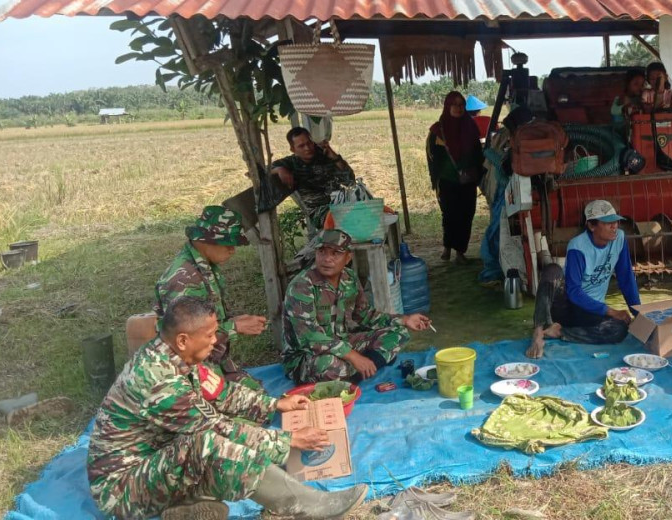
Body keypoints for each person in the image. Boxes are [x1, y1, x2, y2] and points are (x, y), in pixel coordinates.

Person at [88, 296, 367, 520]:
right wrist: (288, 439)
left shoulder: (177, 356)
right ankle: (307, 505)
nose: (214, 340)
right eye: (209, 335)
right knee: (212, 444)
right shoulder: (156, 380)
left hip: (155, 460)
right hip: (123, 489)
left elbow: (223, 394)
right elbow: (215, 428)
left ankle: (189, 507)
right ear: (183, 339)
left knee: (239, 430)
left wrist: (275, 405)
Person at [281, 228, 432, 384]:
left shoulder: (349, 278)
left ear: (347, 258)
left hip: (344, 342)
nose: (327, 259)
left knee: (399, 333)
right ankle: (358, 371)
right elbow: (310, 337)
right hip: (307, 355)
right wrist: (354, 356)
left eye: (335, 253)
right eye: (322, 252)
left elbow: (365, 315)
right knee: (329, 366)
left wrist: (405, 320)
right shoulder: (301, 287)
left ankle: (359, 370)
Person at [155, 205, 266, 388]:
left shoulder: (204, 266)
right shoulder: (183, 281)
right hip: (185, 374)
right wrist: (235, 327)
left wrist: (234, 320)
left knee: (258, 396)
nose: (232, 250)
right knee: (250, 410)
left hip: (210, 362)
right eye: (228, 244)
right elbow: (186, 341)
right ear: (207, 240)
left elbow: (206, 318)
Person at [526, 200, 641, 359]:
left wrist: (640, 314)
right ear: (592, 226)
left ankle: (561, 332)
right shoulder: (578, 247)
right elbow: (574, 292)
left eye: (616, 221)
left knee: (619, 329)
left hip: (590, 312)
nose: (614, 226)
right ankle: (538, 332)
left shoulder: (619, 239)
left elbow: (626, 277)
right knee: (552, 270)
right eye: (608, 222)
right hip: (566, 307)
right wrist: (610, 311)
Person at [426, 91, 484, 263]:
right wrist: (435, 178)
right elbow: (431, 156)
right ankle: (447, 247)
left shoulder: (471, 127)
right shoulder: (438, 130)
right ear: (447, 106)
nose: (459, 108)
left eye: (461, 104)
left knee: (466, 214)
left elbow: (478, 154)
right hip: (447, 180)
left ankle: (460, 251)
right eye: (455, 104)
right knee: (449, 214)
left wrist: (478, 173)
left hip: (468, 180)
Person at [271, 126, 356, 227]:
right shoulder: (291, 163)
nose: (307, 148)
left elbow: (350, 181)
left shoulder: (324, 156)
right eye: (301, 146)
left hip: (342, 203)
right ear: (293, 149)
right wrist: (279, 169)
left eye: (309, 143)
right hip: (319, 212)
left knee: (368, 209)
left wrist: (335, 157)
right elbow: (258, 172)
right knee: (351, 218)